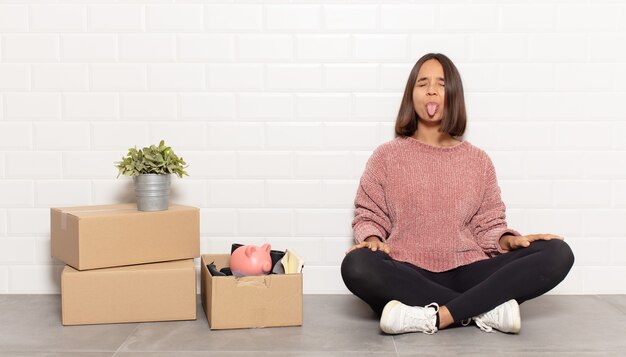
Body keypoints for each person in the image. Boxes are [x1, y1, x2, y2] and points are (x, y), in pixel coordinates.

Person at [341, 53, 575, 335]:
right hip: (408, 270)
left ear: (453, 94)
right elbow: (369, 214)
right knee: (357, 265)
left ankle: (432, 316)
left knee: (557, 252)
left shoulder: (478, 161)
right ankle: (482, 310)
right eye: (422, 83)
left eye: (441, 83)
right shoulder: (387, 156)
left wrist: (510, 240)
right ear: (410, 95)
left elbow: (488, 224)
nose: (431, 90)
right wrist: (373, 240)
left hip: (470, 271)